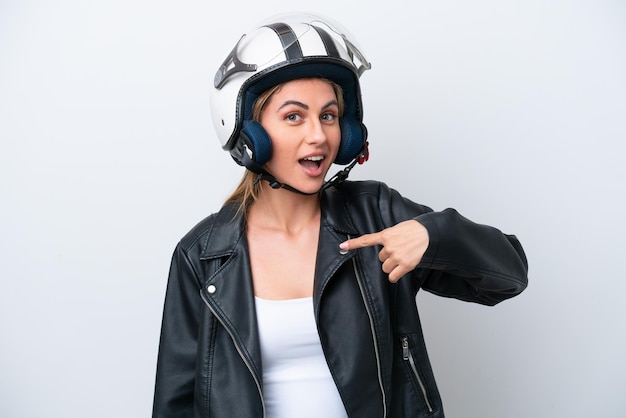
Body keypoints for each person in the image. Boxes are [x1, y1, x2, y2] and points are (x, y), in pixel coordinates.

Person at [152, 12, 528, 418]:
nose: (318, 135)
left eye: (328, 116)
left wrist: (433, 236)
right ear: (249, 134)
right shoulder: (202, 255)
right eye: (294, 116)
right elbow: (174, 404)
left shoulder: (377, 215)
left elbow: (508, 276)